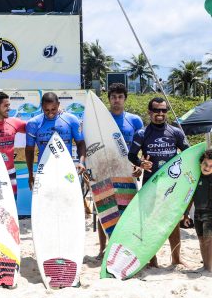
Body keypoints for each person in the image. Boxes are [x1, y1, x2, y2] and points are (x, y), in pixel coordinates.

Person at [128, 97, 189, 267]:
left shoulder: (175, 132)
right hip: (150, 184)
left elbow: (188, 154)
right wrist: (140, 163)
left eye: (163, 110)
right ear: (150, 112)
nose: (160, 114)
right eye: (156, 110)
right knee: (150, 222)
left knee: (173, 221)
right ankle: (152, 259)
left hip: (172, 184)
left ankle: (176, 258)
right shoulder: (142, 134)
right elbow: (131, 155)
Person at [94, 83, 144, 256]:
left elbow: (140, 146)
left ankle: (126, 245)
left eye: (120, 97)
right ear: (109, 99)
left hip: (127, 171)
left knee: (128, 210)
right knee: (104, 210)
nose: (116, 100)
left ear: (125, 98)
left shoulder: (135, 120)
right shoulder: (100, 119)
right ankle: (102, 249)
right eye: (113, 97)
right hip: (104, 170)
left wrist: (138, 165)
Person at [25, 92, 86, 191]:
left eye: (53, 109)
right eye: (46, 110)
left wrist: (81, 162)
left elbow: (80, 143)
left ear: (58, 105)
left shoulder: (71, 120)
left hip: (66, 171)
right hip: (44, 171)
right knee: (47, 204)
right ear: (42, 107)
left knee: (68, 203)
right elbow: (29, 149)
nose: (50, 113)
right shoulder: (33, 124)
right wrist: (30, 174)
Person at [184, 149, 212, 273]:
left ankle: (209, 267)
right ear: (201, 163)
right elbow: (190, 196)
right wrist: (186, 214)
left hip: (210, 214)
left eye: (211, 166)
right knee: (201, 240)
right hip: (197, 214)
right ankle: (205, 265)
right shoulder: (195, 178)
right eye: (205, 164)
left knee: (209, 240)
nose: (207, 167)